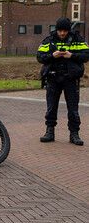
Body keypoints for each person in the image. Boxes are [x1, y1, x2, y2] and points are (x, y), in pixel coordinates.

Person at [37, 17, 89, 145]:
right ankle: (49, 132)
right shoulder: (49, 40)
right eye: (60, 30)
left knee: (73, 109)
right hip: (53, 78)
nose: (62, 33)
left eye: (65, 31)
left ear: (68, 30)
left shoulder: (77, 39)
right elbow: (39, 57)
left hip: (70, 78)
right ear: (57, 29)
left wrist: (71, 55)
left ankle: (74, 134)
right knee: (51, 107)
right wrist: (52, 56)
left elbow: (86, 55)